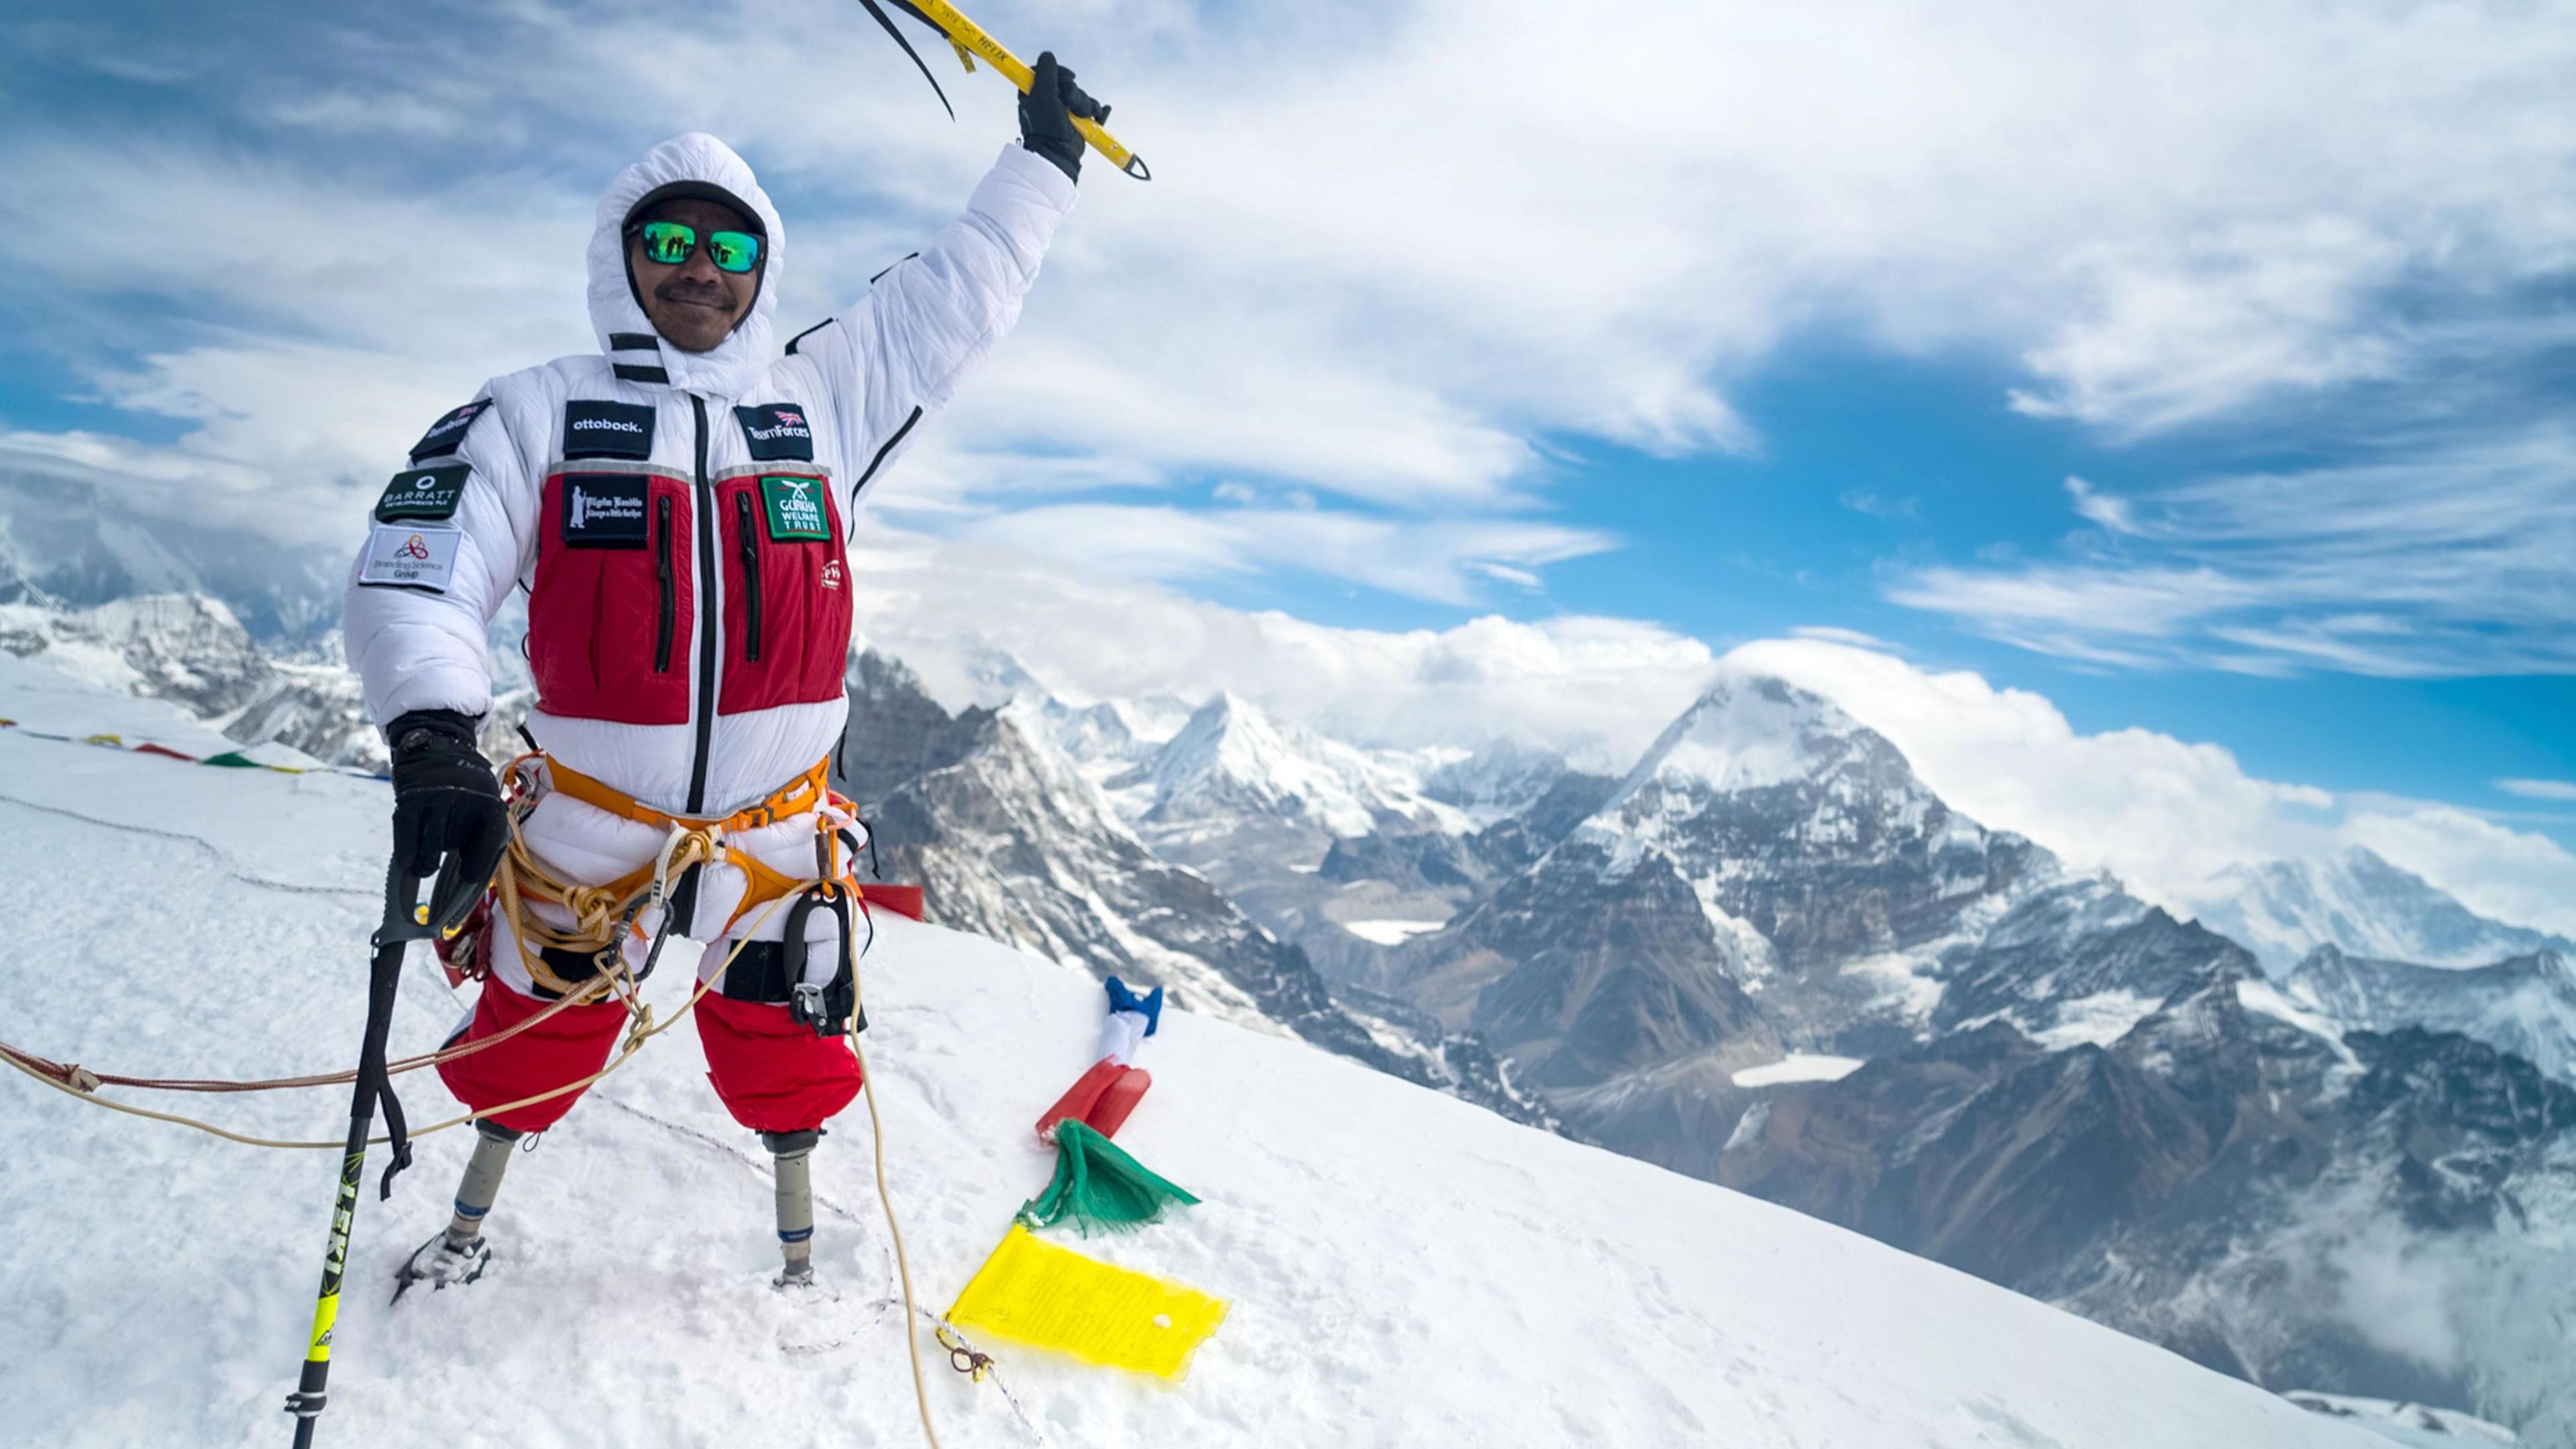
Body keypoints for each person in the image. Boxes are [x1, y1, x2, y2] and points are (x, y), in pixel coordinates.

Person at [344, 56, 1108, 1293]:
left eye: (730, 247)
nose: (701, 266)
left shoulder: (820, 401)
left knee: (787, 1045)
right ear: (622, 255)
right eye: (670, 238)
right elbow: (419, 567)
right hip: (590, 833)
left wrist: (1044, 165)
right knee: (530, 1042)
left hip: (781, 837)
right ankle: (469, 1225)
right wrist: (431, 727)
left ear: (762, 269)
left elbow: (953, 299)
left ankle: (797, 1269)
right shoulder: (532, 411)